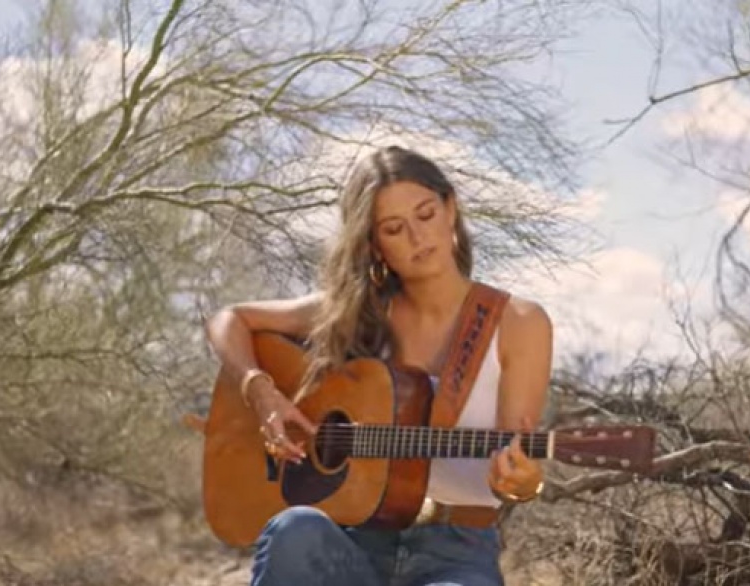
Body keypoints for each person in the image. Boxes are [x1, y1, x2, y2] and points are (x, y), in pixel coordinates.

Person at [205, 145, 554, 586]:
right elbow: (228, 320)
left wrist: (522, 483)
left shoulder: (519, 322)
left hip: (457, 552)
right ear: (373, 245)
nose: (417, 237)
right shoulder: (355, 314)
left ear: (451, 209)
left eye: (425, 214)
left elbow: (512, 469)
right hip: (355, 541)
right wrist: (261, 392)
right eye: (393, 228)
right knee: (294, 531)